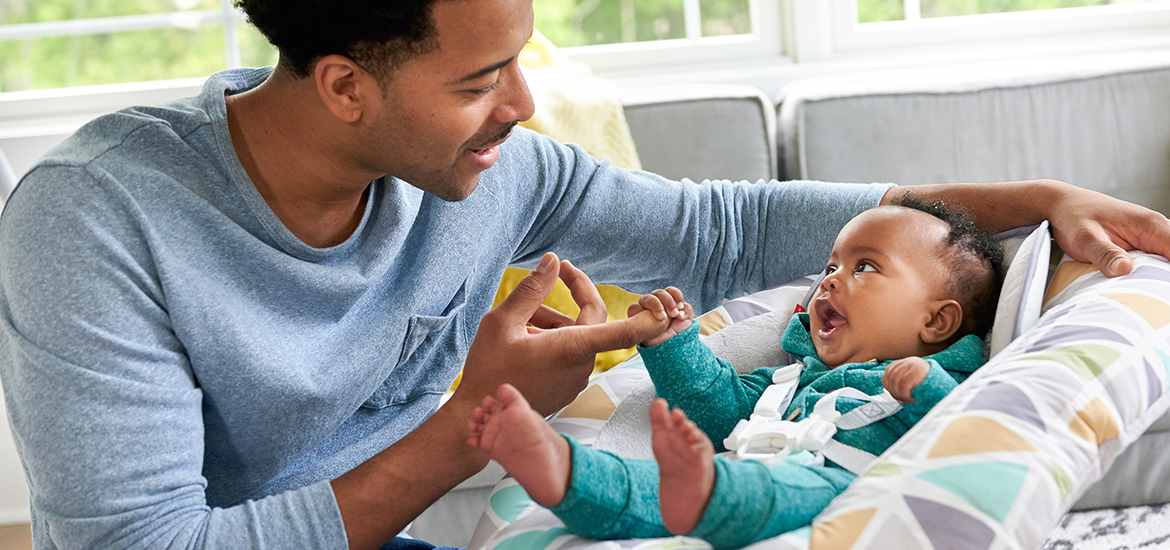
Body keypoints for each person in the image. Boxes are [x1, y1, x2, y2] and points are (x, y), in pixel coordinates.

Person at [0, 0, 1167, 548]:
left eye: (520, 61)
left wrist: (1032, 202)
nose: (522, 106)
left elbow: (719, 230)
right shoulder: (95, 224)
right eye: (479, 82)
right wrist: (474, 418)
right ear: (346, 85)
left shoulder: (491, 168)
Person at [468, 201, 1005, 549]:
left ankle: (701, 492)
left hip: (837, 486)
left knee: (768, 488)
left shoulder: (949, 380)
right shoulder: (794, 378)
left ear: (936, 321)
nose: (830, 280)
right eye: (831, 266)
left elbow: (967, 437)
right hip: (735, 468)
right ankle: (568, 474)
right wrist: (673, 344)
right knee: (647, 489)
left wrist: (929, 386)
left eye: (864, 267)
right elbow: (719, 405)